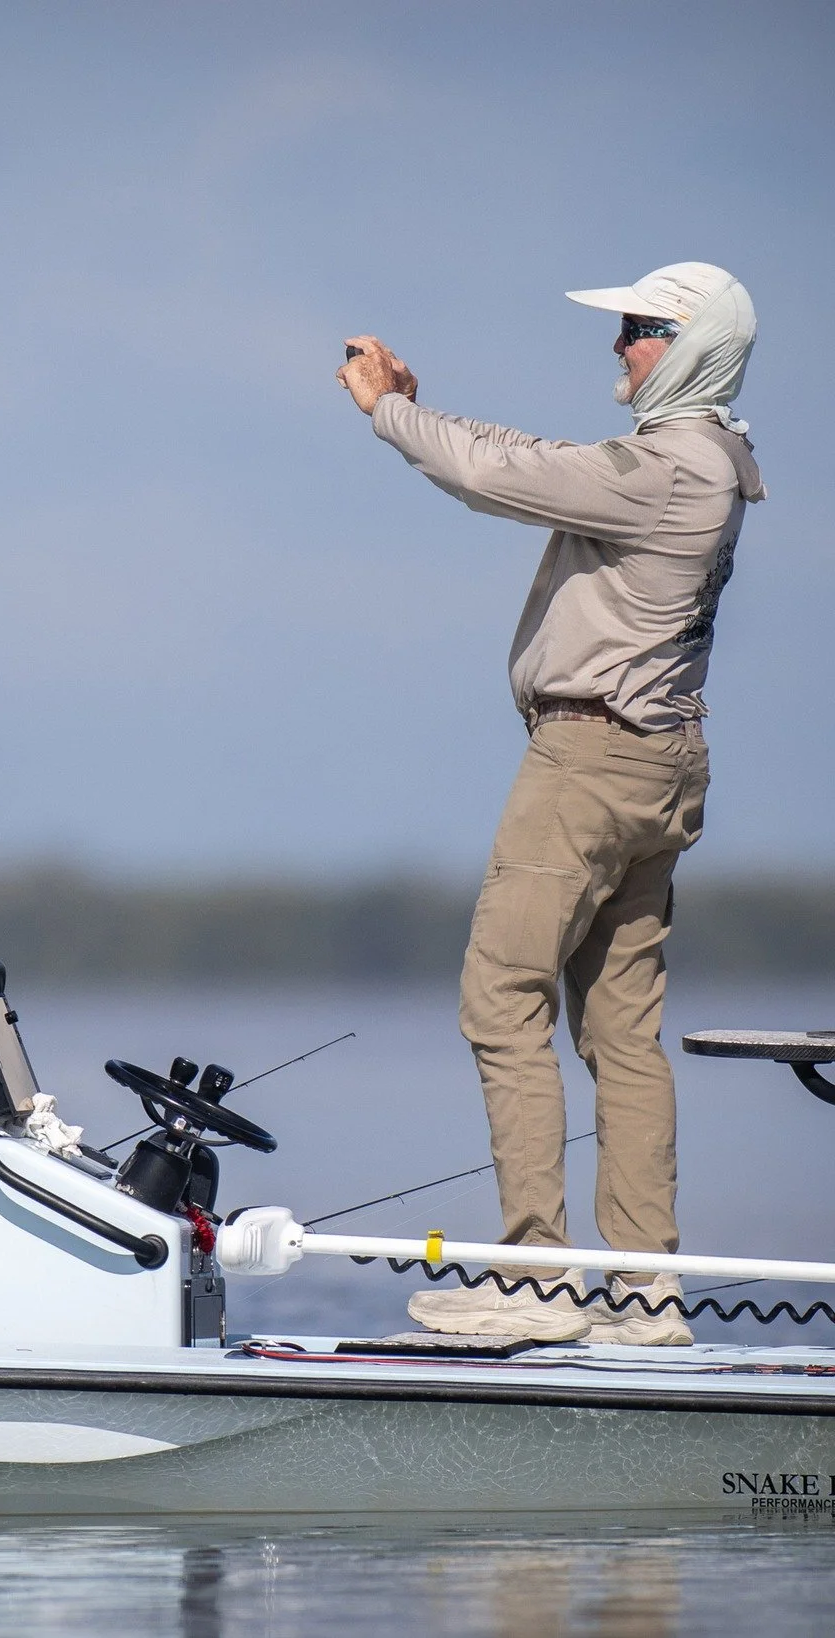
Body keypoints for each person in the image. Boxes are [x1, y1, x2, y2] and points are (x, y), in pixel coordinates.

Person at [336, 264, 763, 1345]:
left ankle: (539, 1283)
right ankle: (642, 1296)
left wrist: (389, 412)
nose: (617, 346)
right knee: (620, 1029)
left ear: (691, 345)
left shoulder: (666, 468)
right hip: (659, 765)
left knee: (499, 997)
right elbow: (533, 465)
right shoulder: (708, 461)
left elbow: (500, 478)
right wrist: (420, 408)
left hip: (585, 764)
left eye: (637, 329)